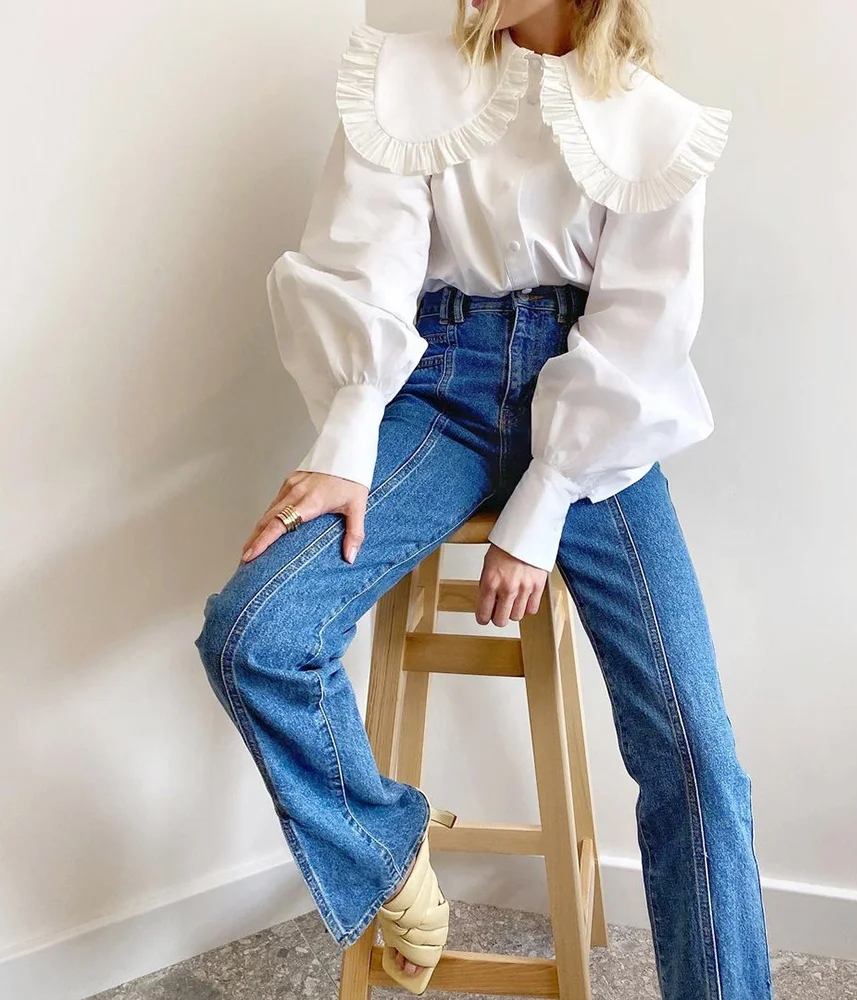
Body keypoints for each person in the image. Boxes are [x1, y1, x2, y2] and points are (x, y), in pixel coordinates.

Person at [194, 0, 773, 996]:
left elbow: (641, 329)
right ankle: (386, 849)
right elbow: (366, 265)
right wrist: (346, 443)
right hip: (432, 392)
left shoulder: (656, 125)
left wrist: (542, 505)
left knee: (697, 754)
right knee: (253, 632)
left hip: (595, 418)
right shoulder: (404, 80)